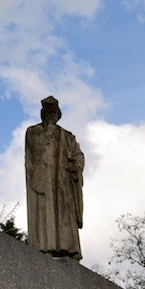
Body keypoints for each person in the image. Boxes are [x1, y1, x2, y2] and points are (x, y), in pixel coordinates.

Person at [24, 96, 84, 260]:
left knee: (65, 213)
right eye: (49, 112)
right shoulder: (33, 131)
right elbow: (34, 150)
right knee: (46, 212)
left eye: (54, 112)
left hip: (62, 182)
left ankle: (69, 248)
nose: (52, 115)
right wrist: (48, 132)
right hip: (44, 179)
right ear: (43, 114)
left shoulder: (67, 136)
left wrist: (76, 166)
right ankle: (46, 247)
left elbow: (78, 155)